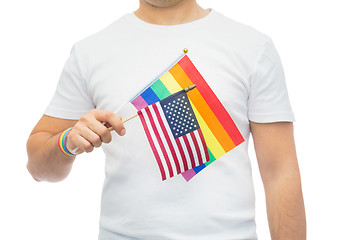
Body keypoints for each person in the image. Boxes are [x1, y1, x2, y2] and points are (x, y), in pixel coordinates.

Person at [26, 0, 306, 239]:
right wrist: (67, 143)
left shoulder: (253, 47)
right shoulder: (90, 51)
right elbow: (37, 167)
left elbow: (280, 174)